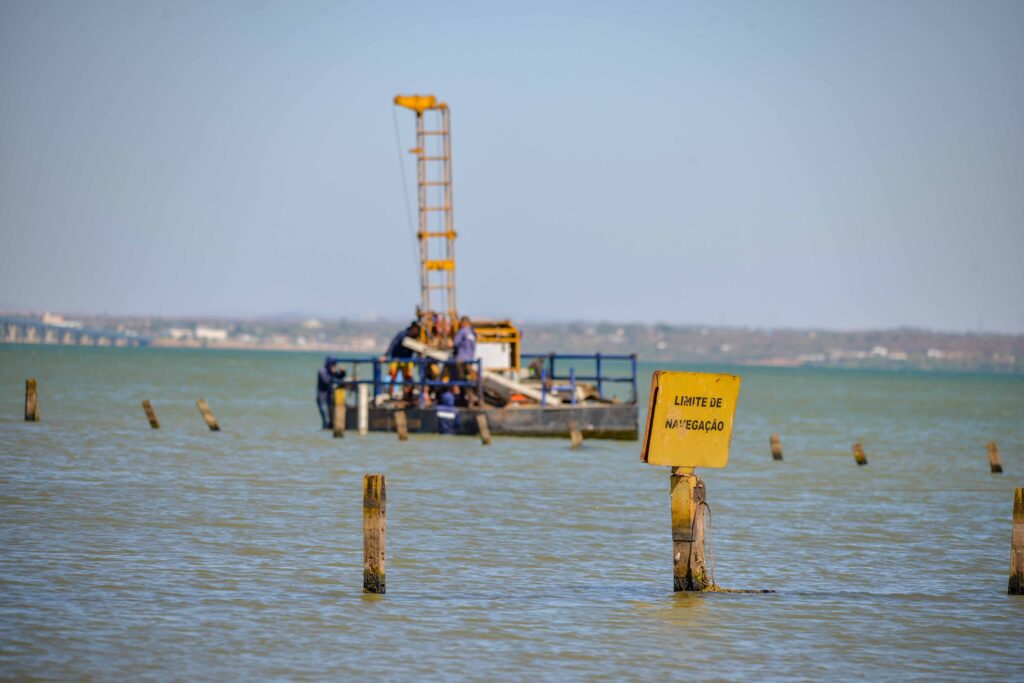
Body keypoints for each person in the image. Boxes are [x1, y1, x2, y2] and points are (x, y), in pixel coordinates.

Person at [381, 321, 421, 399]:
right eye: (416, 328)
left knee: (408, 378)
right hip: (396, 357)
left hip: (407, 359)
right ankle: (390, 394)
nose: (416, 331)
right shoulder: (402, 334)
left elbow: (418, 349)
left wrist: (418, 358)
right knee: (393, 376)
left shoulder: (416, 337)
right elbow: (393, 344)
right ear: (412, 327)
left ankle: (407, 395)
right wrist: (386, 355)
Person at [451, 316, 478, 406]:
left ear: (463, 323)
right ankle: (471, 399)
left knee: (461, 379)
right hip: (470, 360)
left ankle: (463, 399)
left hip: (461, 360)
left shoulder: (462, 331)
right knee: (469, 379)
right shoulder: (472, 332)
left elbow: (455, 343)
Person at [316, 356, 347, 429]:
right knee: (325, 417)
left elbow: (340, 377)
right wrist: (332, 373)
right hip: (322, 397)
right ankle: (325, 429)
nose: (334, 366)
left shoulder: (331, 372)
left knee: (332, 418)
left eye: (335, 364)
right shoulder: (322, 371)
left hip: (330, 397)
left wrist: (343, 372)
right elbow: (326, 381)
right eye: (333, 364)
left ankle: (329, 428)